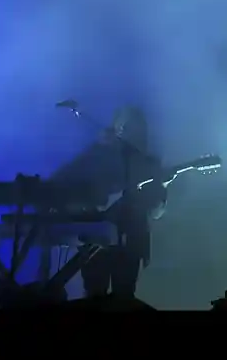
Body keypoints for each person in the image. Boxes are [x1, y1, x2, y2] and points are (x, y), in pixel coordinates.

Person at [48, 105, 167, 298]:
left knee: (123, 298)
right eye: (124, 127)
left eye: (133, 128)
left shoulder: (148, 163)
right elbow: (66, 176)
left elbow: (156, 211)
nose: (128, 132)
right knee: (95, 295)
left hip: (130, 241)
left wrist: (160, 188)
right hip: (96, 238)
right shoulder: (98, 153)